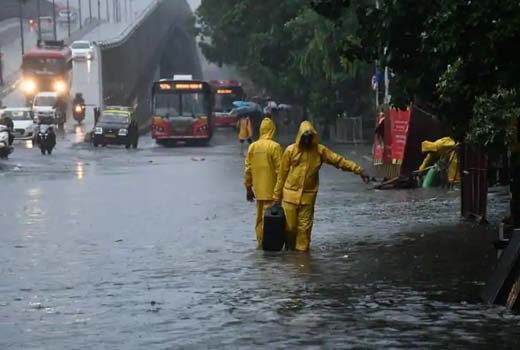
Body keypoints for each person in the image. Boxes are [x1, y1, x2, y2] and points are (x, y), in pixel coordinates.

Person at [273, 121, 370, 252]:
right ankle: (290, 256)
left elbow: (338, 160)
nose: (307, 141)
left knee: (304, 231)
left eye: (309, 138)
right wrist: (276, 197)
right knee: (289, 228)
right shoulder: (290, 151)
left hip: (308, 197)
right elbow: (282, 175)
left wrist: (358, 170)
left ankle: (302, 261)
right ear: (300, 137)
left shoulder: (319, 151)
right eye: (304, 138)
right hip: (289, 196)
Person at [244, 118, 283, 248]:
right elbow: (280, 171)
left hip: (258, 191)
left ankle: (260, 244)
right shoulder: (275, 147)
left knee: (260, 219)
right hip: (273, 191)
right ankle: (270, 246)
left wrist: (248, 189)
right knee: (271, 219)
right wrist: (281, 191)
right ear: (272, 130)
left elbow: (248, 169)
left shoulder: (252, 146)